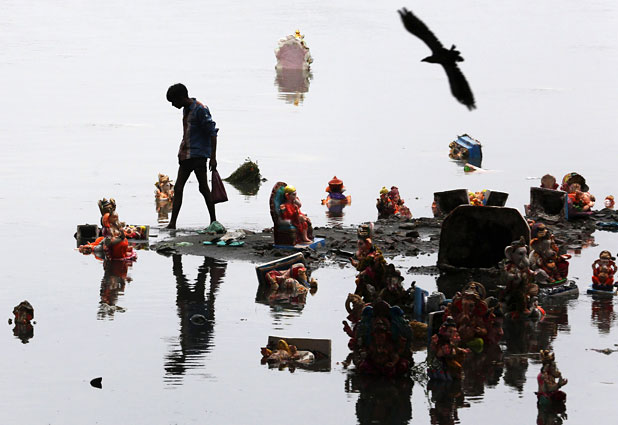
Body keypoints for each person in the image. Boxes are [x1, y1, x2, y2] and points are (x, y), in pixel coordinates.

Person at [165, 83, 220, 230]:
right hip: (186, 154)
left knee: (203, 188)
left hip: (198, 155)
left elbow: (212, 133)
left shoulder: (200, 109)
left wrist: (213, 157)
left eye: (173, 101)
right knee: (178, 188)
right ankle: (172, 224)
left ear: (181, 97)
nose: (173, 105)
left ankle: (213, 221)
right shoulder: (186, 109)